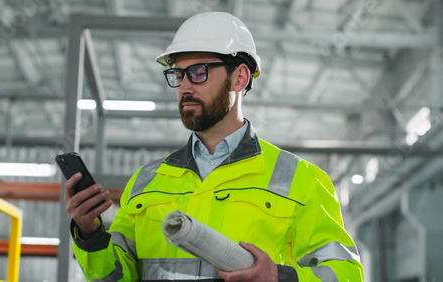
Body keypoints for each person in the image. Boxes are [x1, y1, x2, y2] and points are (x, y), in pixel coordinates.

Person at [65, 12, 364, 282]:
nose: (184, 87)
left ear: (240, 77)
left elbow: (346, 274)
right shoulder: (145, 181)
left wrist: (279, 278)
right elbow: (113, 278)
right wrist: (90, 234)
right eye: (178, 74)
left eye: (198, 72)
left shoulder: (303, 181)